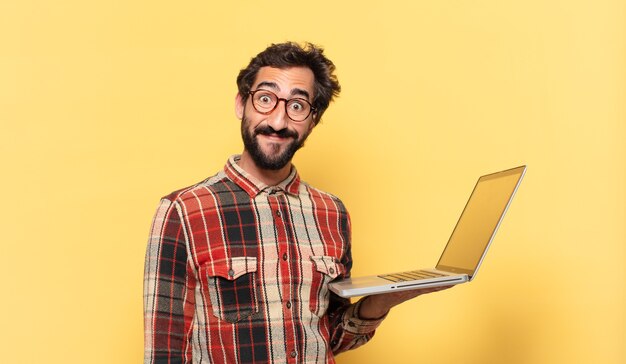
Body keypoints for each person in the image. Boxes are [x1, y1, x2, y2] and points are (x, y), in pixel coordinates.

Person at [143, 42, 449, 364]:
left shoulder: (332, 213)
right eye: (265, 99)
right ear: (240, 104)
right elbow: (165, 351)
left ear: (313, 120)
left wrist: (382, 302)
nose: (277, 121)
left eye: (298, 106)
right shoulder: (183, 210)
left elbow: (329, 337)